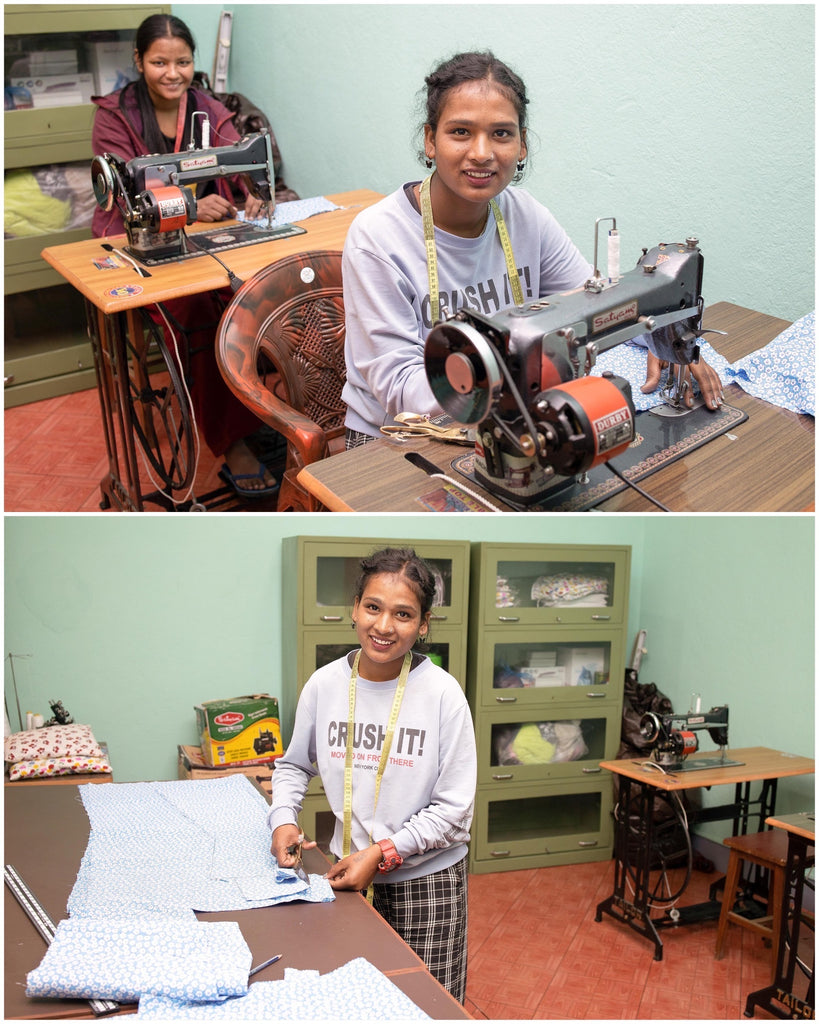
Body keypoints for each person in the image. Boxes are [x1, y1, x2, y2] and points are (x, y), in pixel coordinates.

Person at [341, 51, 724, 447]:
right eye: (460, 132)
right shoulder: (377, 239)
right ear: (429, 140)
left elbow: (594, 303)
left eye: (502, 134)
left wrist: (660, 336)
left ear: (522, 145)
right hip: (396, 440)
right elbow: (399, 388)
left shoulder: (524, 216)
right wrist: (517, 370)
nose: (482, 152)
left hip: (503, 419)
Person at [268, 547, 477, 1003]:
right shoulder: (324, 684)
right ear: (355, 609)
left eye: (403, 614)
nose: (384, 626)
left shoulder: (443, 695)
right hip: (345, 872)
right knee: (353, 1002)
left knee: (428, 1003)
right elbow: (293, 766)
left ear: (423, 625)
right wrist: (283, 818)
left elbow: (455, 810)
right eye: (373, 607)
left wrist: (384, 852)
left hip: (426, 883)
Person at [91, 14, 277, 497]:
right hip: (142, 245)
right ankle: (233, 441)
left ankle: (270, 415)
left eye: (183, 62)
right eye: (159, 62)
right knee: (200, 313)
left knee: (256, 295)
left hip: (195, 245)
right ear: (139, 61)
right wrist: (192, 211)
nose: (172, 73)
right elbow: (123, 201)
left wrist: (251, 196)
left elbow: (239, 166)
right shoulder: (116, 117)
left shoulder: (208, 108)